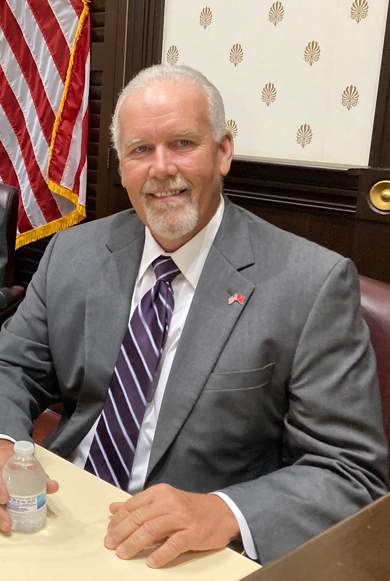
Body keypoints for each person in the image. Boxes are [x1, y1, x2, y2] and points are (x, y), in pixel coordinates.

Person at [0, 65, 387, 568]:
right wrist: (4, 441)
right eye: (140, 150)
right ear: (121, 168)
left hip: (192, 553)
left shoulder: (310, 284)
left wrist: (223, 511)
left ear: (224, 151)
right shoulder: (73, 252)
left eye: (183, 143)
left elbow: (351, 471)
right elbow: (13, 366)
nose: (161, 168)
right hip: (60, 513)